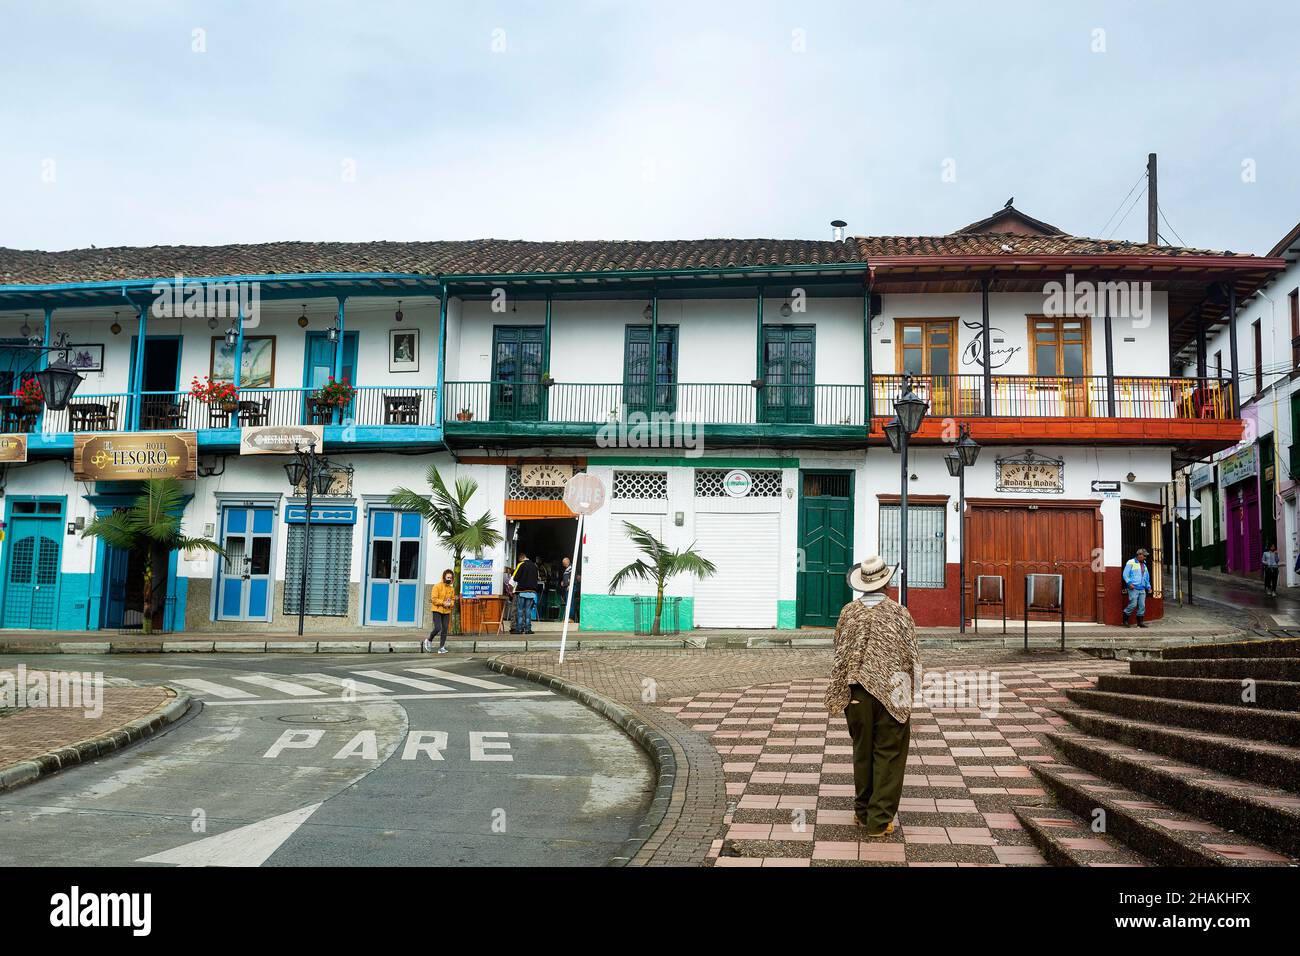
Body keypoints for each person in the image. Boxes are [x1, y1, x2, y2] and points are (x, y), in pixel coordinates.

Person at [824, 555, 921, 837]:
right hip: (892, 694)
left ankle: (862, 811)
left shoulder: (848, 613)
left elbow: (839, 650)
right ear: (887, 582)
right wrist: (910, 693)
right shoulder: (899, 613)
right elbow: (912, 657)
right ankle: (879, 821)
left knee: (862, 753)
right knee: (889, 754)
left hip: (856, 695)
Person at [425, 569, 455, 653]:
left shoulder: (452, 589)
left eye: (451, 578)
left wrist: (450, 604)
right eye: (448, 577)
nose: (449, 579)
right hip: (437, 610)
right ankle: (429, 640)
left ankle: (441, 647)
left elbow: (452, 599)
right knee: (438, 628)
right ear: (444, 577)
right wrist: (443, 603)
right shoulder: (437, 586)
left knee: (445, 628)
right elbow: (434, 599)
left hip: (447, 611)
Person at [511, 550, 540, 635]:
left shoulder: (522, 565)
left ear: (522, 558)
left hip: (522, 591)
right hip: (531, 592)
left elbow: (515, 578)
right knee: (528, 610)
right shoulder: (535, 567)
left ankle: (519, 629)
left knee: (520, 610)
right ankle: (528, 629)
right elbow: (537, 578)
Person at [1122, 548, 1152, 628]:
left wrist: (1148, 587)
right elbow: (1125, 574)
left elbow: (1146, 578)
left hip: (1142, 589)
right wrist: (1129, 583)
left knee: (1142, 606)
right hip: (1133, 588)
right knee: (1133, 604)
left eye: (1145, 556)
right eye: (1144, 555)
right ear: (1139, 555)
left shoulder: (1144, 565)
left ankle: (1140, 623)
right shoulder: (1130, 562)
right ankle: (1125, 620)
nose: (1145, 557)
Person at [561, 556, 581, 623]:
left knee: (570, 603)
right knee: (568, 603)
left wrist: (570, 585)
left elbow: (573, 577)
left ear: (567, 562)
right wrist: (564, 582)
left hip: (571, 588)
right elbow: (567, 578)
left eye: (564, 563)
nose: (563, 564)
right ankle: (568, 618)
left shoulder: (571, 567)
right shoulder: (567, 568)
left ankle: (571, 618)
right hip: (567, 587)